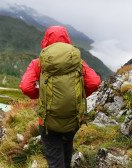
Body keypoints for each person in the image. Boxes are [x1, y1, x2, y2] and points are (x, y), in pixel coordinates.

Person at [19, 26, 101, 168]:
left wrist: (42, 96)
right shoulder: (77, 62)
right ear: (67, 39)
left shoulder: (38, 63)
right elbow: (94, 82)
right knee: (67, 147)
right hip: (72, 118)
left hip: (48, 121)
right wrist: (79, 98)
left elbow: (26, 87)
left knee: (55, 159)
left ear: (45, 41)